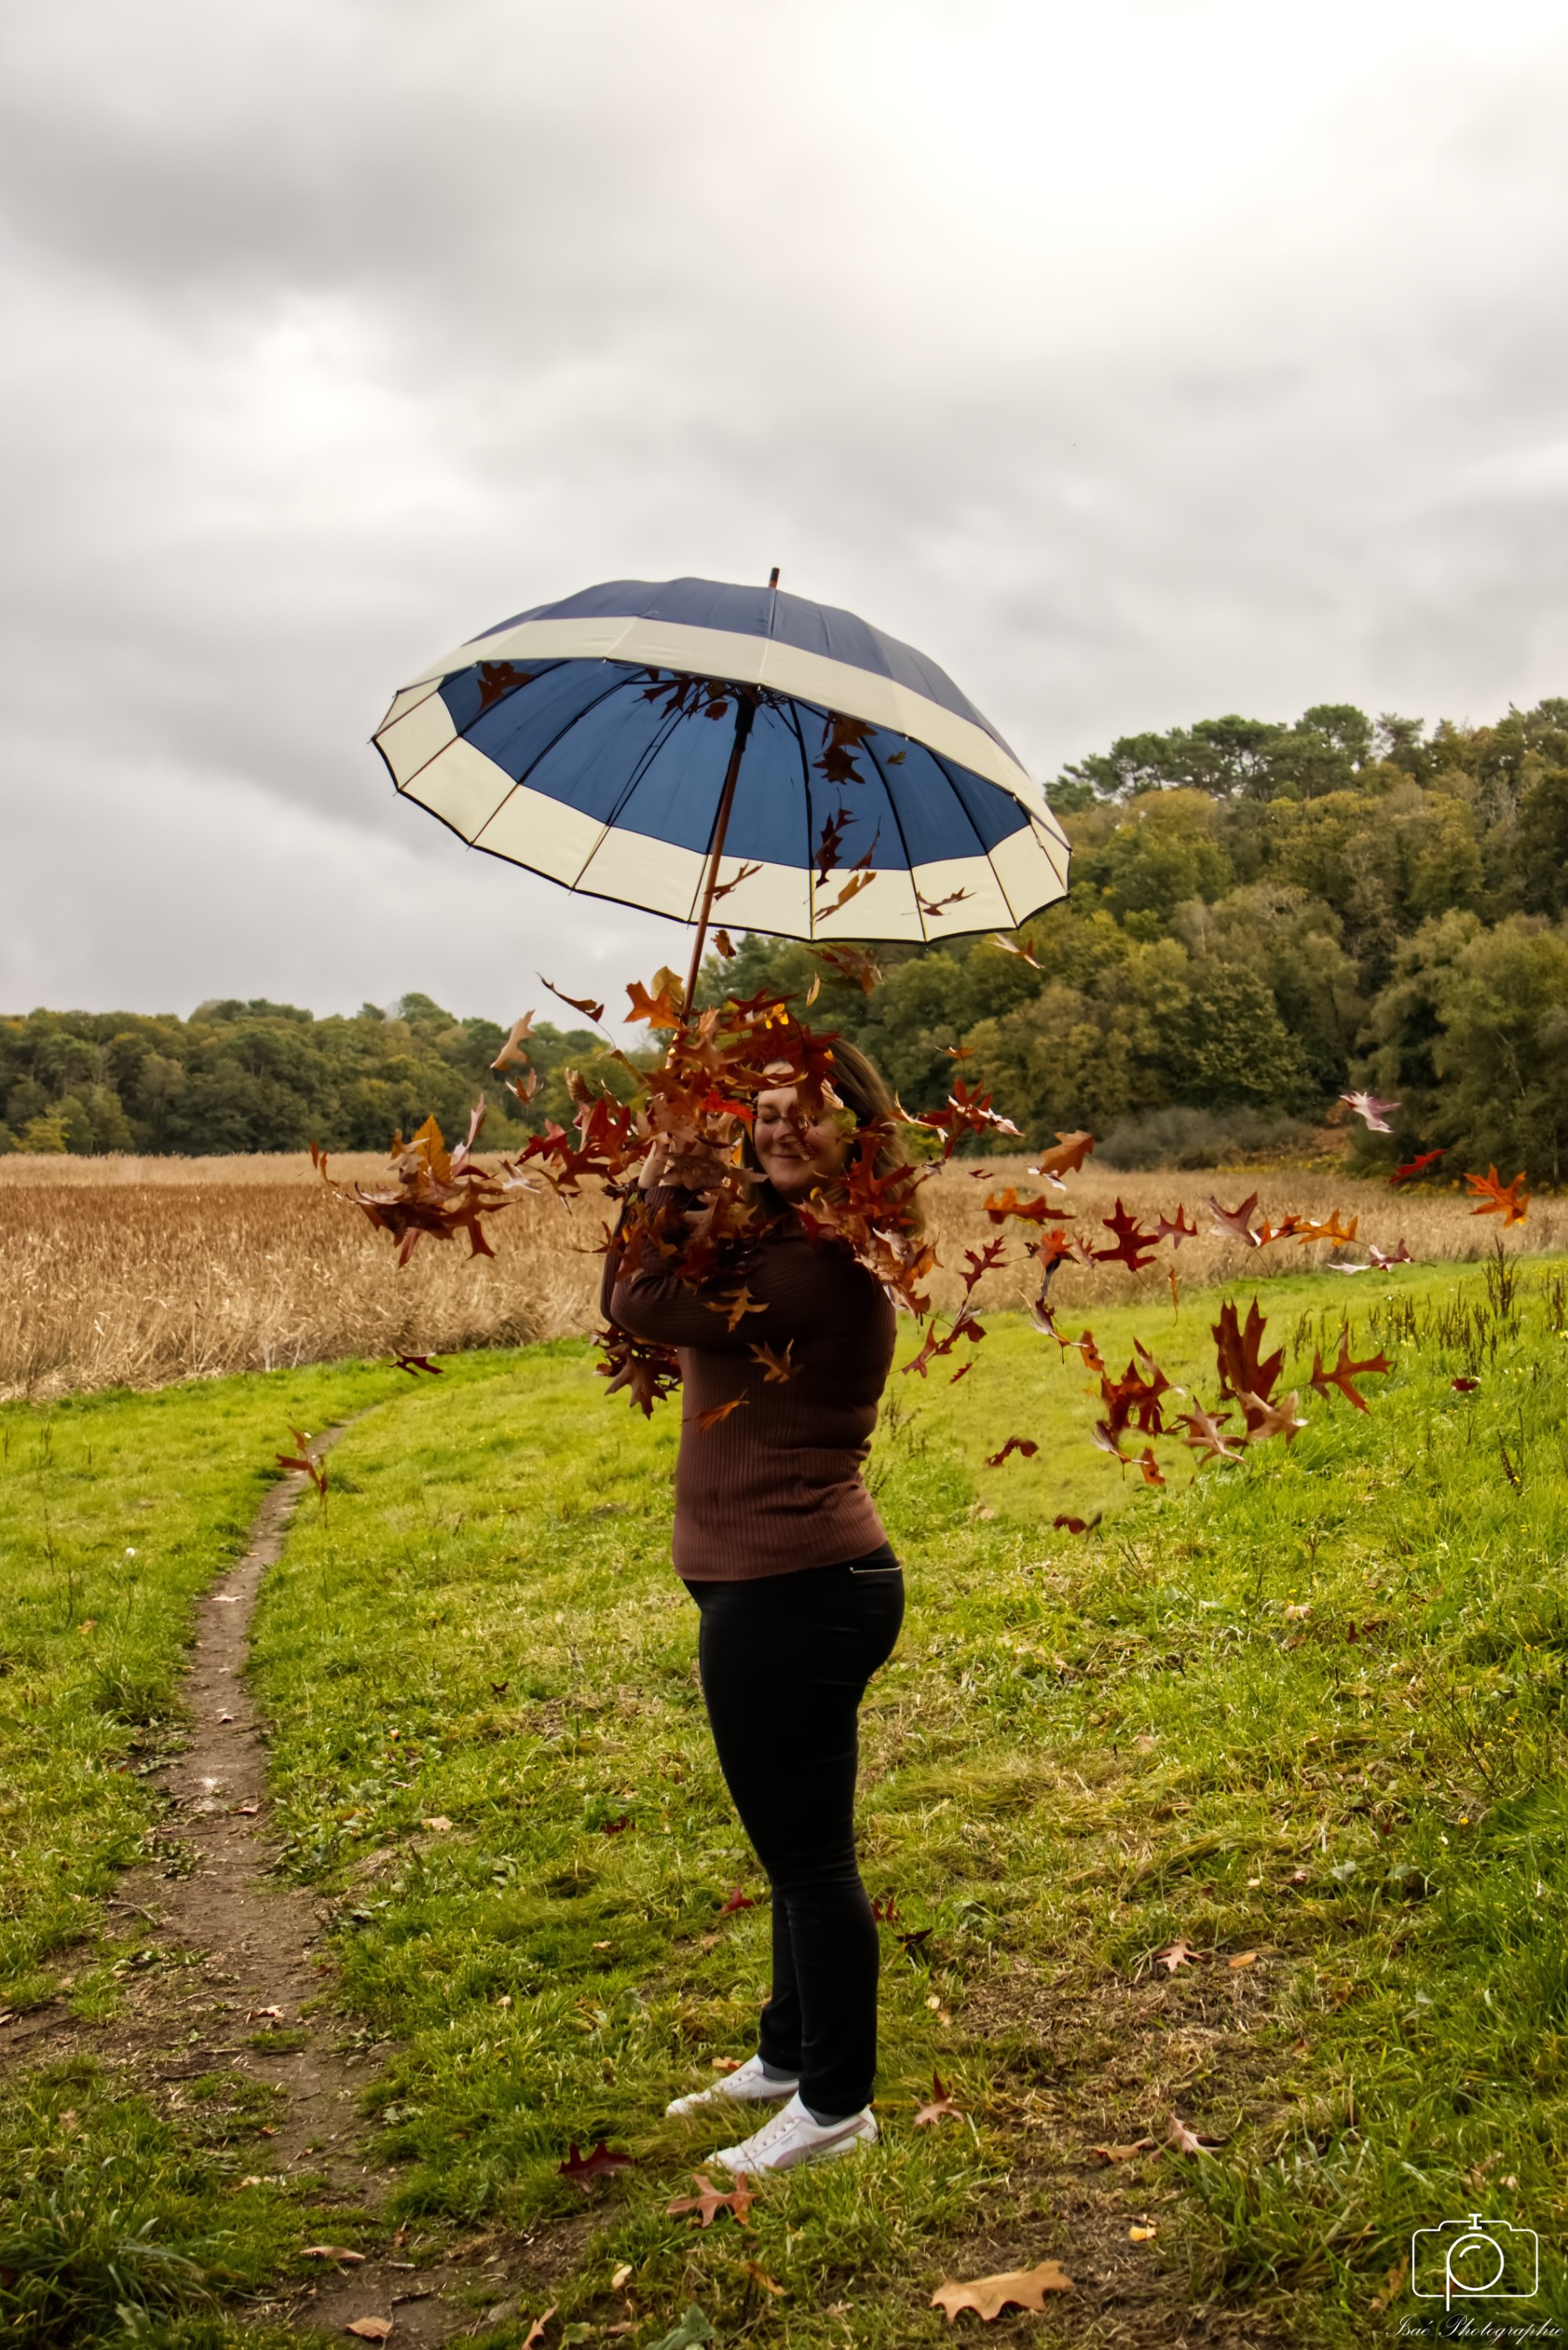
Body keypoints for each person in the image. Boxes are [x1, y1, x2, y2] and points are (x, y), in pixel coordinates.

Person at [600, 1041, 909, 2175]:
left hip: (796, 1593)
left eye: (806, 1112)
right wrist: (684, 1177)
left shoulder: (819, 1263)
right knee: (796, 1848)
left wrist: (655, 1178)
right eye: (765, 1110)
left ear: (855, 1134)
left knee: (809, 1861)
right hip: (781, 1585)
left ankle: (835, 2106)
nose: (780, 1127)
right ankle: (787, 2055)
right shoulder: (771, 1238)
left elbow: (635, 1296)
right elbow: (666, 1283)